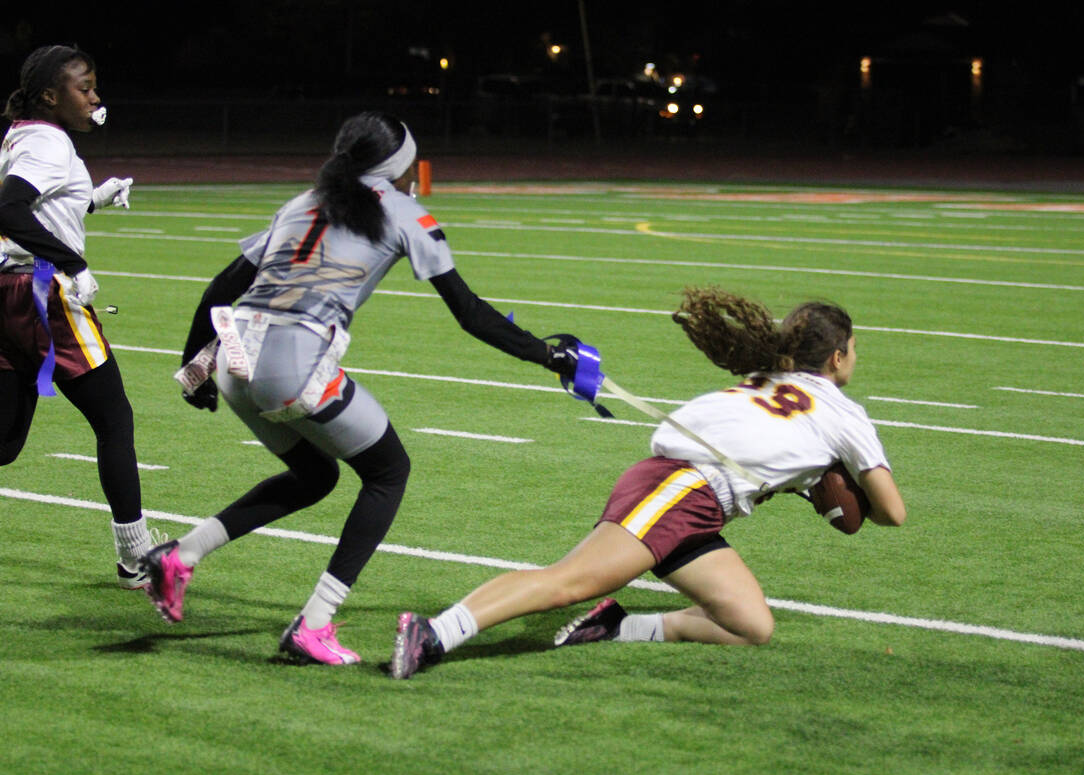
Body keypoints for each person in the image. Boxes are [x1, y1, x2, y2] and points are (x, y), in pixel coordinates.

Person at [139, 111, 581, 666]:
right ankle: (314, 624)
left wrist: (194, 369)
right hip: (291, 361)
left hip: (230, 356)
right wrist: (548, 354)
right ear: (398, 167)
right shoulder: (403, 211)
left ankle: (179, 556)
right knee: (388, 472)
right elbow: (469, 313)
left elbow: (221, 287)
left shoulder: (302, 202)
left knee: (315, 475)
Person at [391, 286, 906, 679]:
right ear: (837, 356)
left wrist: (810, 478)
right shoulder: (843, 414)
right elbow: (892, 513)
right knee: (570, 581)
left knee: (751, 626)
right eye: (853, 348)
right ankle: (434, 632)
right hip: (681, 489)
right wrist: (838, 486)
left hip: (696, 502)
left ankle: (616, 626)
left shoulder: (766, 380)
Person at [0, 44, 154, 588]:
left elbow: (38, 204)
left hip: (5, 289)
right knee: (114, 419)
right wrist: (73, 262)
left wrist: (91, 200)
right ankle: (136, 557)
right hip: (42, 293)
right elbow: (9, 207)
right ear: (50, 96)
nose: (94, 98)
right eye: (83, 88)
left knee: (5, 441)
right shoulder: (50, 141)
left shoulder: (22, 133)